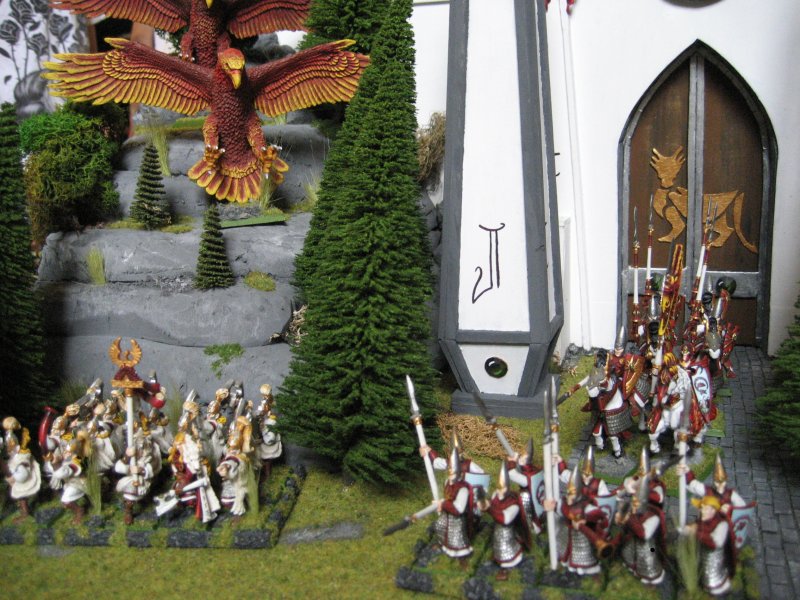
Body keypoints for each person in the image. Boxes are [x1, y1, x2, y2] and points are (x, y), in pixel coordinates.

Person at [478, 463, 531, 580]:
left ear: (507, 488)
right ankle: (497, 558)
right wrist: (484, 504)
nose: (499, 491)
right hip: (497, 528)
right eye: (498, 488)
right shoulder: (496, 495)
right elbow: (492, 505)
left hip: (508, 532)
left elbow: (505, 519)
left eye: (502, 488)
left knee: (505, 546)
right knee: (497, 542)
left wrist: (489, 509)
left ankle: (505, 568)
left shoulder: (513, 503)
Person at [684, 495, 734, 596]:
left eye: (706, 509)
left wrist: (696, 532)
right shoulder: (702, 522)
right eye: (701, 508)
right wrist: (687, 529)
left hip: (715, 563)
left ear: (714, 510)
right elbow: (696, 527)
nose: (702, 511)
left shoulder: (722, 525)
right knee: (703, 576)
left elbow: (716, 542)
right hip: (703, 559)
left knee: (713, 584)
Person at [434, 447, 476, 567]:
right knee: (439, 525)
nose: (451, 471)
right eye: (450, 468)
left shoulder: (463, 489)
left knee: (456, 535)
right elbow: (447, 497)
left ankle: (462, 555)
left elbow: (459, 509)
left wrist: (443, 504)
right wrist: (442, 506)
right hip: (446, 512)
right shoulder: (447, 482)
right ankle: (443, 544)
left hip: (456, 517)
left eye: (453, 469)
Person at [2, 417, 41, 523]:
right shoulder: (9, 435)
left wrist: (6, 450)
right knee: (16, 487)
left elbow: (11, 449)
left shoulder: (10, 436)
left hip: (16, 462)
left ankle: (25, 512)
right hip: (14, 460)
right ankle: (24, 509)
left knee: (18, 487)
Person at [254, 384, 282, 481]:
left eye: (264, 407)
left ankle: (267, 475)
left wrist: (263, 429)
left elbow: (270, 440)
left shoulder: (271, 422)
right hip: (262, 442)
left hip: (269, 446)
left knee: (266, 461)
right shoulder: (263, 418)